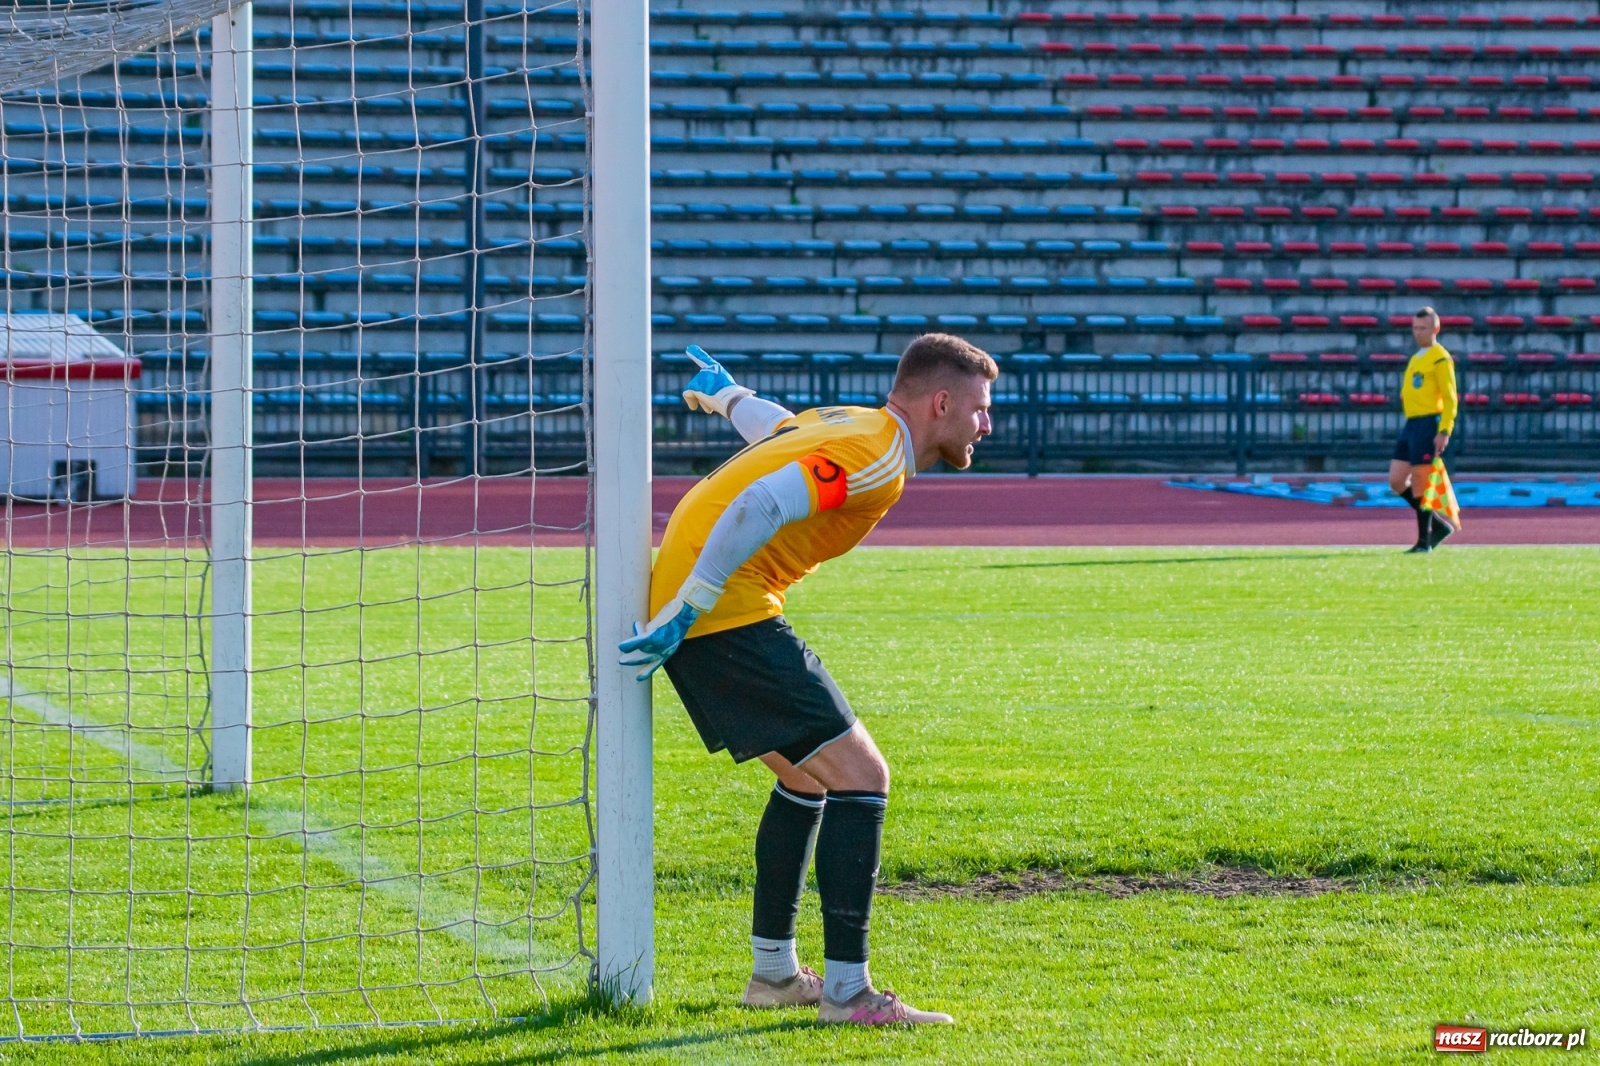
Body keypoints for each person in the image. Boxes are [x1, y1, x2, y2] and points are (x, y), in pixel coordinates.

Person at [618, 334, 996, 1026]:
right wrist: (692, 605)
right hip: (722, 614)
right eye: (978, 408)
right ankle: (850, 994)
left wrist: (725, 393)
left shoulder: (853, 421)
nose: (986, 424)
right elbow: (765, 503)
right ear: (941, 404)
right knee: (864, 776)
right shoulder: (880, 460)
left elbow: (778, 428)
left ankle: (775, 976)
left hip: (704, 609)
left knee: (804, 777)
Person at [1387, 306, 1459, 552]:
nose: (1418, 333)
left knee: (1421, 482)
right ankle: (1438, 526)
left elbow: (1450, 398)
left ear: (1435, 329)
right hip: (1412, 424)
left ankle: (1423, 542)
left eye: (1423, 328)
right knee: (1397, 480)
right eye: (1415, 328)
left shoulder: (1440, 358)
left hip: (1429, 423)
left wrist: (1444, 430)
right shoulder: (1416, 357)